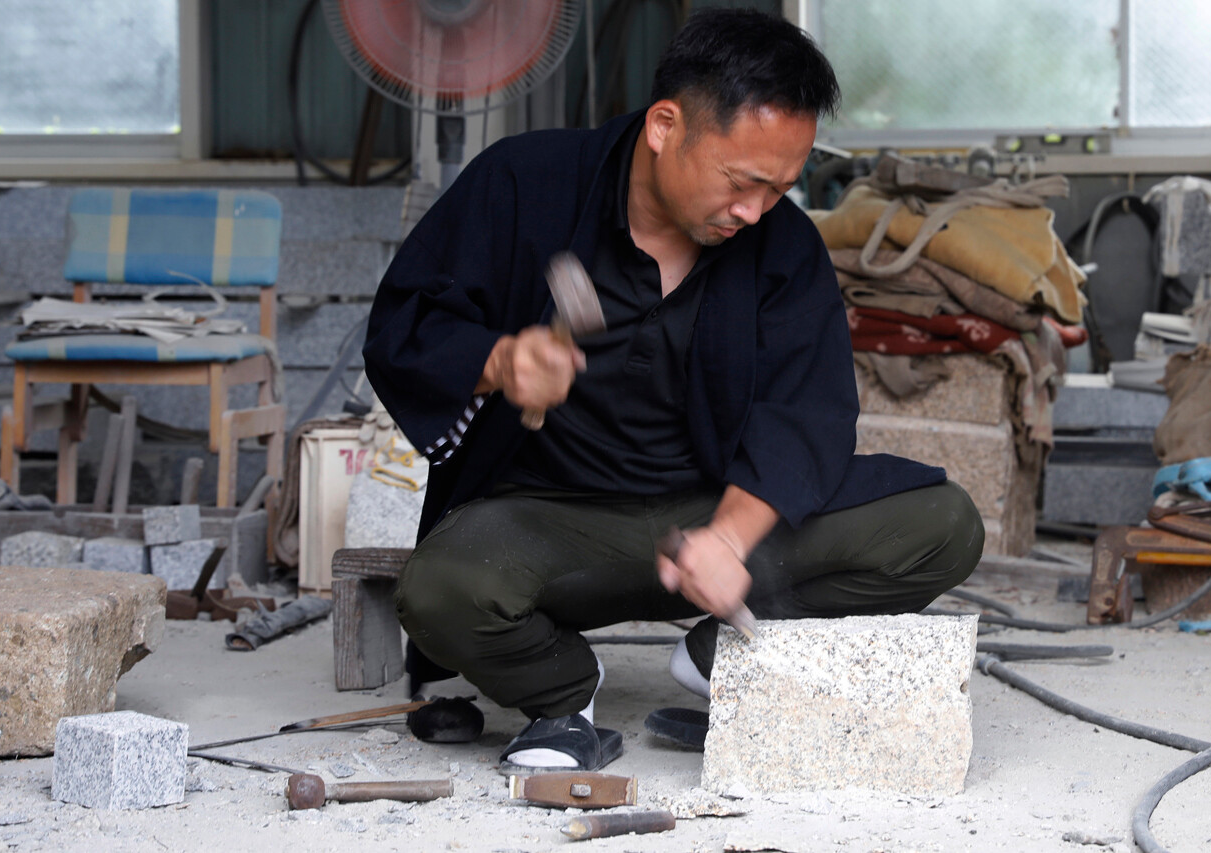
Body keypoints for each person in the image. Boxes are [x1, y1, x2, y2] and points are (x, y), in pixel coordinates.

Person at [364, 7, 984, 772]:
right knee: (437, 591)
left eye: (780, 187)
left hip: (715, 513)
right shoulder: (525, 182)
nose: (755, 211)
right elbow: (405, 325)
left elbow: (808, 412)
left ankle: (720, 657)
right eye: (743, 182)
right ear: (666, 126)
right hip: (553, 520)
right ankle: (562, 690)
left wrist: (728, 536)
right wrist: (497, 360)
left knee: (943, 523)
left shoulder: (781, 245)